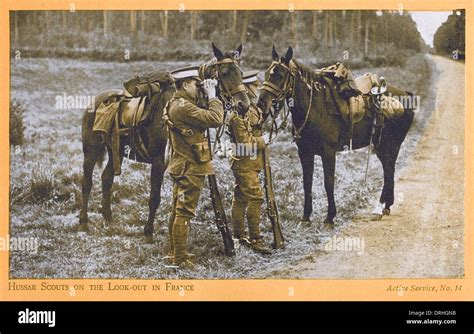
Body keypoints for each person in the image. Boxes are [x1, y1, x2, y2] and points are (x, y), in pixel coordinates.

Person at [164, 66, 223, 268]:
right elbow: (215, 119)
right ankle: (179, 259)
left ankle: (174, 254)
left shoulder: (175, 103)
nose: (198, 88)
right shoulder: (184, 107)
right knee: (185, 212)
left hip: (180, 165)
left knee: (178, 209)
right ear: (185, 84)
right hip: (191, 167)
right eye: (195, 85)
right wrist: (213, 95)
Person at [227, 70, 272, 254]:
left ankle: (238, 236)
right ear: (245, 89)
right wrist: (263, 141)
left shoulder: (250, 109)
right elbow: (246, 144)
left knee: (241, 198)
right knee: (255, 198)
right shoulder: (239, 115)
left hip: (249, 163)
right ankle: (256, 239)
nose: (258, 88)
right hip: (245, 162)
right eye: (255, 86)